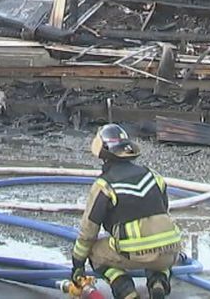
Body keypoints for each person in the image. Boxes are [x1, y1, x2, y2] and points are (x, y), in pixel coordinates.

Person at [69, 124, 182, 299]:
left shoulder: (104, 185)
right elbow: (163, 210)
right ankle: (158, 282)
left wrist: (77, 262)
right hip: (171, 248)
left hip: (133, 252)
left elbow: (88, 231)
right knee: (159, 256)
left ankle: (126, 291)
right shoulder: (153, 175)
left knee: (95, 252)